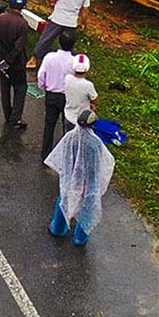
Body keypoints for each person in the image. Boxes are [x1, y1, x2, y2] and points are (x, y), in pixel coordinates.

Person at [44, 107, 114, 247]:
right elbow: (103, 163)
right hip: (90, 180)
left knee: (64, 199)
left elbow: (63, 156)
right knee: (88, 206)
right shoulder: (96, 143)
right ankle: (80, 237)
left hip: (72, 179)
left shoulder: (71, 136)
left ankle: (58, 229)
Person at [34, 0, 91, 64]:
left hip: (58, 18)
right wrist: (83, 23)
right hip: (71, 22)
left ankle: (34, 60)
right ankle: (65, 64)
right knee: (67, 45)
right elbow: (85, 10)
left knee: (46, 40)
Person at [36, 30, 76, 160]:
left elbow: (41, 75)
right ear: (73, 45)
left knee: (49, 124)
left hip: (51, 95)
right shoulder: (74, 62)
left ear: (59, 43)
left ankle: (45, 154)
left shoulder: (49, 57)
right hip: (67, 97)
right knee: (68, 125)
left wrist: (43, 86)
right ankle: (66, 155)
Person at [0, 0, 30, 129]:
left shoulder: (0, 19)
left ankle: (7, 116)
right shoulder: (22, 24)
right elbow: (18, 47)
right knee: (21, 88)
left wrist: (4, 59)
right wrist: (10, 59)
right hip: (17, 64)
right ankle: (16, 118)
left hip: (2, 62)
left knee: (5, 88)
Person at [62, 53, 97, 127]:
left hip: (68, 116)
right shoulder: (88, 85)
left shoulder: (67, 78)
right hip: (82, 120)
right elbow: (94, 99)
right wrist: (92, 105)